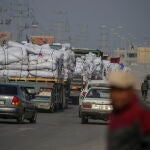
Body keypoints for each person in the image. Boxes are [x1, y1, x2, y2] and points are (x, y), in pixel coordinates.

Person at [107, 70, 150, 150]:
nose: (116, 95)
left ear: (130, 91)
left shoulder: (142, 113)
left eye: (120, 91)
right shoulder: (116, 112)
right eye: (113, 90)